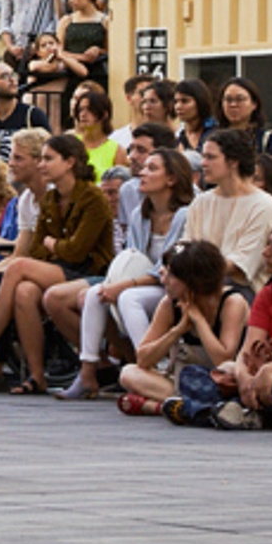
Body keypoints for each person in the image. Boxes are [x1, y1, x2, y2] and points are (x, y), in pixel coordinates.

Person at [50, 147, 194, 400]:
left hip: (170, 283)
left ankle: (151, 368)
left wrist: (126, 285)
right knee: (96, 294)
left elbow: (171, 264)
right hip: (143, 281)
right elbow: (132, 255)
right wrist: (120, 283)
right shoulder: (141, 214)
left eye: (152, 169)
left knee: (129, 298)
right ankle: (87, 374)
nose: (143, 173)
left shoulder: (184, 214)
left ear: (171, 179)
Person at [0, 133, 115, 395]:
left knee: (18, 269)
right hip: (62, 269)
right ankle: (36, 375)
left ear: (70, 162)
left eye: (48, 159)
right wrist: (53, 247)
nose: (42, 165)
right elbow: (38, 249)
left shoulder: (93, 198)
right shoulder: (50, 200)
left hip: (91, 271)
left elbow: (77, 251)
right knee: (24, 291)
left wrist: (54, 246)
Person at [116, 240, 250, 416]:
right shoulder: (170, 303)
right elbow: (143, 359)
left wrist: (198, 320)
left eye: (171, 275)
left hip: (224, 382)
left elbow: (223, 360)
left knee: (227, 374)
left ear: (192, 281)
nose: (164, 279)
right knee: (128, 373)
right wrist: (177, 330)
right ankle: (191, 404)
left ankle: (160, 406)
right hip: (185, 381)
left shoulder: (232, 302)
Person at [183, 130, 272, 288]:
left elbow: (240, 265)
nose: (203, 163)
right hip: (199, 282)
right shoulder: (201, 202)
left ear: (233, 161)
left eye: (210, 157)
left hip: (243, 290)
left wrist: (191, 268)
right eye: (203, 156)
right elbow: (185, 244)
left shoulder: (264, 205)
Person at [218, 77, 272, 156]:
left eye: (240, 99)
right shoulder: (214, 139)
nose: (233, 105)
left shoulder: (269, 140)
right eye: (228, 100)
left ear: (254, 104)